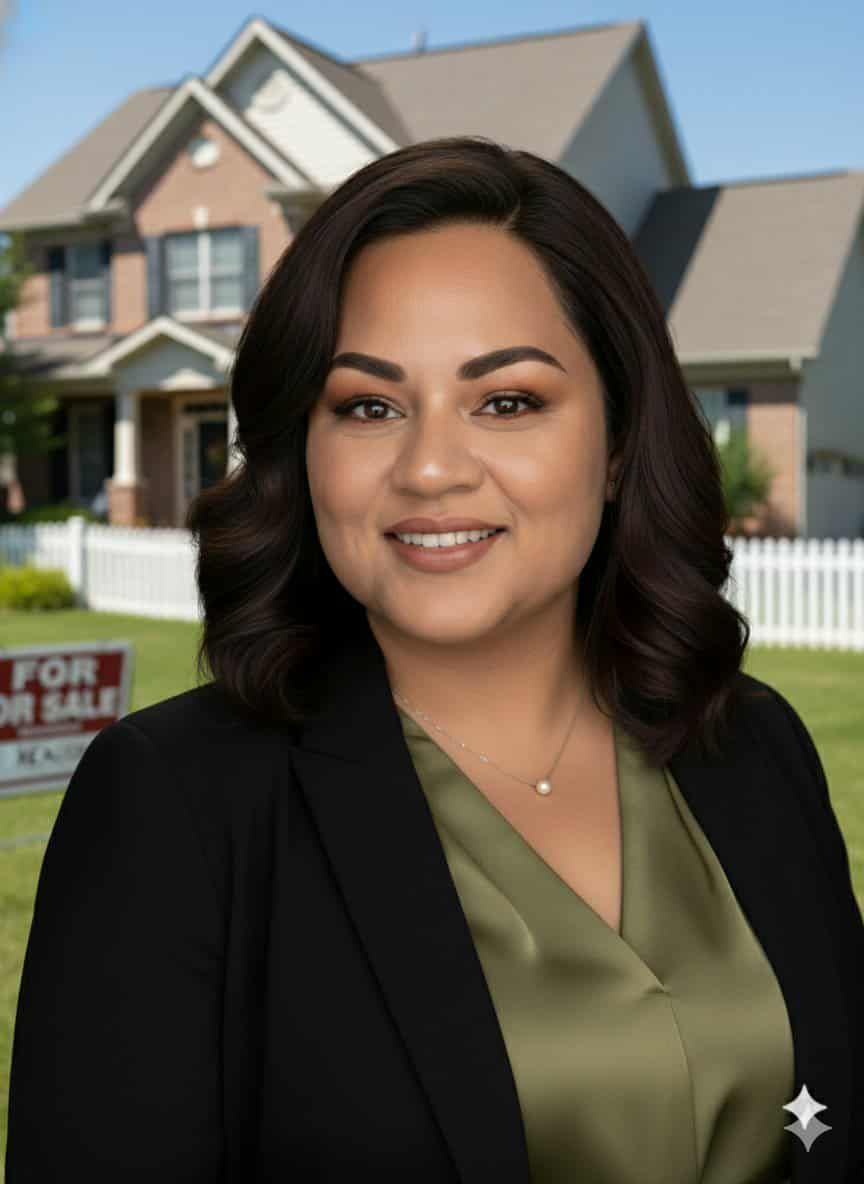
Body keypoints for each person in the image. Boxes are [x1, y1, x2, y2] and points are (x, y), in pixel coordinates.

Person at [5, 137, 862, 1184]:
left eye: (507, 400)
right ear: (299, 449)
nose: (430, 467)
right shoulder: (177, 806)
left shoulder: (753, 741)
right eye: (368, 405)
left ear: (621, 442)